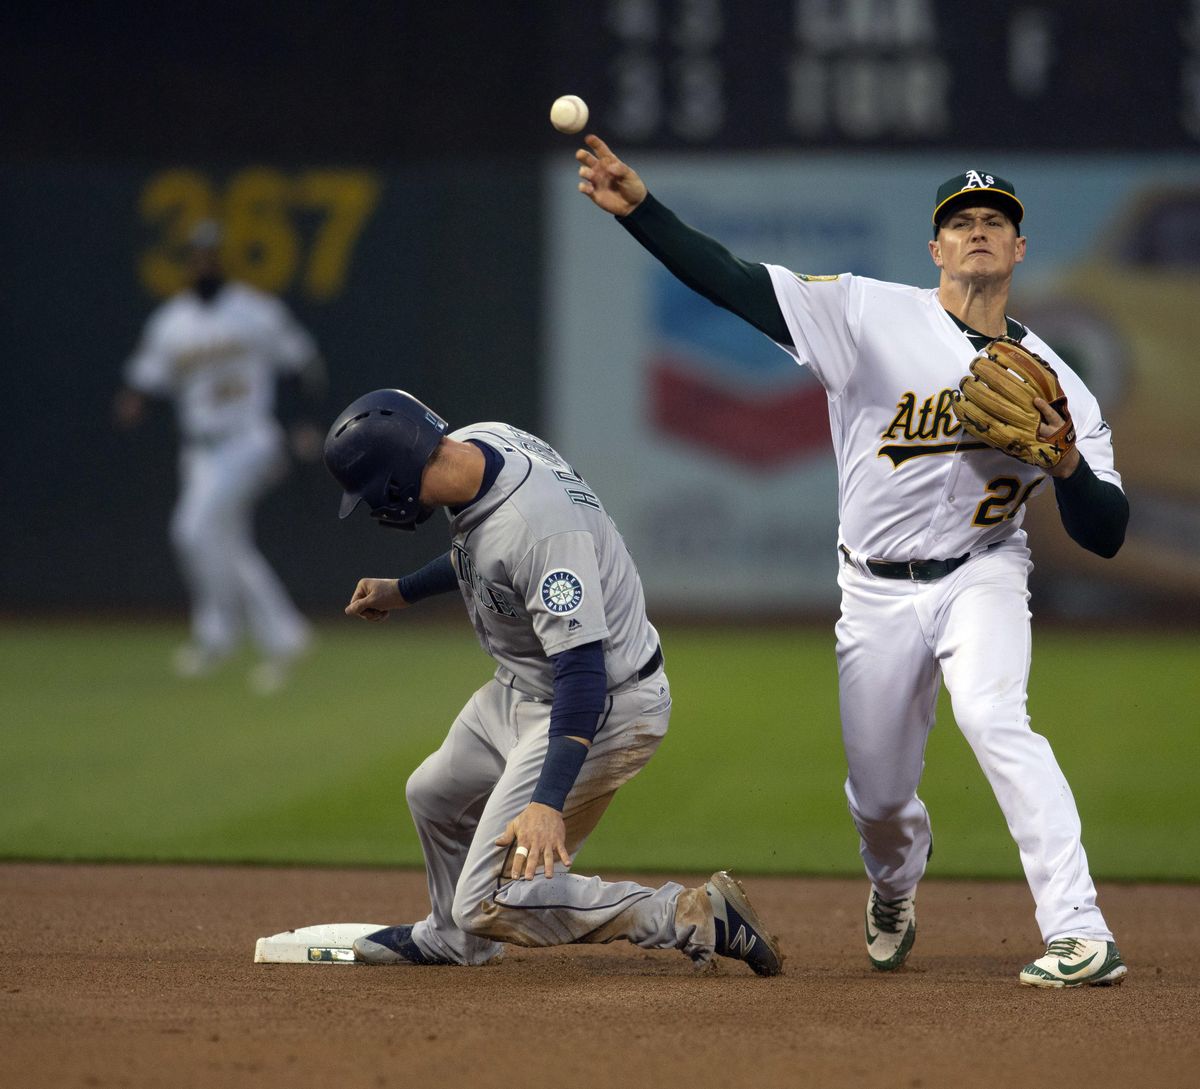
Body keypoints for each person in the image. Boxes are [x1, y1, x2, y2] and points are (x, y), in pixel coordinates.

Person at [576, 138, 1130, 989]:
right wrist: (642, 212)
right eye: (961, 221)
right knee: (878, 801)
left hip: (984, 571)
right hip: (873, 588)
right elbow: (735, 283)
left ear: (1020, 249)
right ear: (936, 246)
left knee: (996, 718)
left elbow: (1107, 532)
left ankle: (1078, 928)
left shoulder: (1063, 382)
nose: (978, 231)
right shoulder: (870, 314)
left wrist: (1065, 466)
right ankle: (895, 883)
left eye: (995, 222)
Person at [322, 387, 783, 974]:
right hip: (524, 685)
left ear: (393, 481)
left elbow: (582, 672)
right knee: (432, 796)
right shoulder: (480, 441)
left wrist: (546, 801)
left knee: (490, 899)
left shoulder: (538, 528)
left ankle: (691, 915)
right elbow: (485, 560)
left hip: (601, 703)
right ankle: (452, 938)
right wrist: (403, 590)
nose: (373, 507)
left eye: (370, 495)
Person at [115, 221, 321, 694]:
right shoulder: (172, 322)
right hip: (199, 452)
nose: (202, 261)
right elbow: (146, 379)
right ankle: (268, 633)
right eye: (194, 254)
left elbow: (300, 364)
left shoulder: (255, 311)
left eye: (209, 253)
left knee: (194, 529)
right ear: (186, 260)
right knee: (222, 540)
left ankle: (230, 632)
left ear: (221, 257)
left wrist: (304, 422)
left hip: (250, 439)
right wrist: (134, 400)